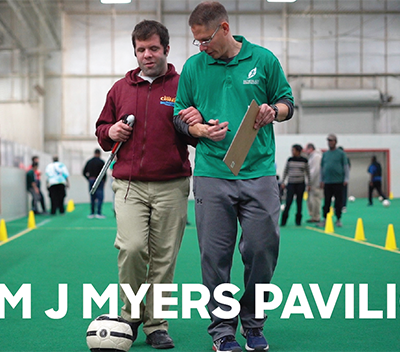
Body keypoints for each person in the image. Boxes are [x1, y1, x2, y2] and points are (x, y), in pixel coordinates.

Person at [173, 2, 294, 351]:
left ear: (225, 29)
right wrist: (198, 129)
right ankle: (222, 330)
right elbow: (180, 115)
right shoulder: (194, 68)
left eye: (205, 39)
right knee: (215, 255)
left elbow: (287, 103)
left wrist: (274, 111)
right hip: (212, 173)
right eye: (196, 41)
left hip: (259, 172)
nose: (201, 46)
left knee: (262, 249)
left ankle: (253, 322)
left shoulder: (264, 60)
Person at [95, 20, 195, 350]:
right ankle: (130, 316)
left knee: (164, 258)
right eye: (141, 49)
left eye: (153, 48)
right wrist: (110, 133)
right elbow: (102, 130)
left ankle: (157, 324)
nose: (147, 55)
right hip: (128, 185)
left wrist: (196, 125)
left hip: (172, 183)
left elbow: (196, 132)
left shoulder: (184, 85)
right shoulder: (120, 89)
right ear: (135, 51)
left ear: (166, 49)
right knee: (133, 248)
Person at [318, 134, 349, 228]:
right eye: (328, 141)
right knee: (327, 201)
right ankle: (325, 219)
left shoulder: (341, 154)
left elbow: (346, 167)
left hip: (338, 181)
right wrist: (321, 180)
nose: (330, 142)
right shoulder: (325, 154)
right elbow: (322, 168)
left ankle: (338, 219)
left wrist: (346, 178)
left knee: (338, 201)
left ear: (335, 142)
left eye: (331, 141)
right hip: (327, 182)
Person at [280, 144, 309, 226]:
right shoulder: (290, 160)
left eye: (294, 150)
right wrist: (283, 182)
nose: (292, 152)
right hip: (291, 184)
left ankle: (298, 221)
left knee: (299, 203)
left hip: (300, 184)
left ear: (298, 151)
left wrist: (309, 184)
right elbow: (286, 171)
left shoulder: (304, 160)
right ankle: (283, 221)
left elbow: (308, 173)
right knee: (288, 202)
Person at [83, 148, 106, 219]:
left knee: (92, 197)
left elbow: (84, 172)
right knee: (100, 197)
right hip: (99, 181)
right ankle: (99, 213)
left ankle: (92, 213)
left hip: (91, 180)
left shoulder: (89, 161)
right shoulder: (101, 162)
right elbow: (104, 172)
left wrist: (88, 179)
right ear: (99, 154)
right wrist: (104, 181)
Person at [304, 143, 323, 223]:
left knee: (315, 200)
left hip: (315, 183)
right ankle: (313, 216)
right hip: (313, 182)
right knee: (311, 200)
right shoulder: (312, 157)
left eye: (306, 149)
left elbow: (315, 171)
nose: (306, 151)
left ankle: (316, 217)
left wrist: (309, 182)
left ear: (310, 148)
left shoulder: (316, 157)